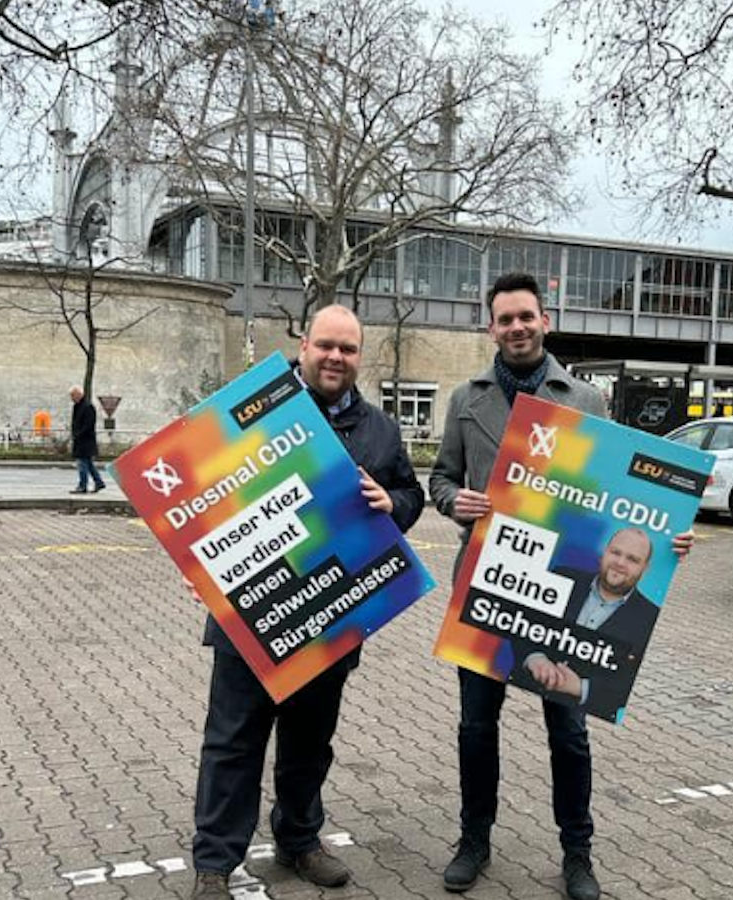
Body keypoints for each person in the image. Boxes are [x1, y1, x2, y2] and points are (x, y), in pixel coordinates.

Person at [429, 272, 695, 900]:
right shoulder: (467, 399)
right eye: (504, 319)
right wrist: (452, 501)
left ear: (545, 320)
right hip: (491, 585)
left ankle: (578, 852)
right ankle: (474, 841)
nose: (516, 327)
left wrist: (671, 537)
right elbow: (441, 478)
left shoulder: (585, 399)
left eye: (526, 316)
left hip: (568, 591)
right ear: (490, 327)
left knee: (568, 730)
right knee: (475, 727)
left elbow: (627, 497)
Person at [191, 305, 426, 900]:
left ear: (358, 357)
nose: (335, 358)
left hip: (329, 614)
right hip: (253, 612)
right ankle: (215, 862)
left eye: (347, 349)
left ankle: (299, 840)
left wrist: (392, 504)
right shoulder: (249, 415)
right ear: (303, 345)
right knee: (233, 740)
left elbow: (409, 494)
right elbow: (200, 497)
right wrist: (201, 564)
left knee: (308, 743)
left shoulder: (380, 429)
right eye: (326, 345)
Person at [519, 528, 660, 723]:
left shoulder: (649, 617)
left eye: (632, 559)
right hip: (520, 688)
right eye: (616, 553)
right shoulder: (562, 577)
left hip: (579, 711)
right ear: (604, 552)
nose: (620, 563)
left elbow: (628, 681)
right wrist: (534, 657)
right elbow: (521, 621)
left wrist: (580, 687)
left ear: (645, 568)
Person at [69, 386, 106, 494]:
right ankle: (99, 482)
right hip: (81, 440)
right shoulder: (77, 406)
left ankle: (82, 485)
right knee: (88, 464)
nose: (71, 398)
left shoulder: (88, 407)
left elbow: (89, 425)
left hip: (85, 441)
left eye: (73, 395)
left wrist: (77, 435)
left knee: (82, 464)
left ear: (79, 394)